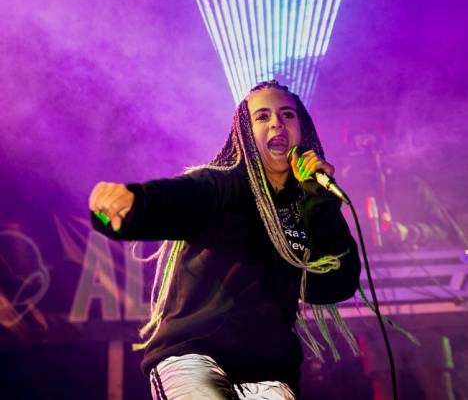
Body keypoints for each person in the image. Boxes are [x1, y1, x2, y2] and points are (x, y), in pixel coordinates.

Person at [89, 80, 361, 399]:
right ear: (245, 132)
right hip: (195, 355)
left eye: (287, 115)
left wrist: (322, 202)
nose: (276, 123)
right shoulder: (221, 186)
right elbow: (175, 200)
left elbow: (334, 284)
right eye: (262, 117)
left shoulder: (309, 205)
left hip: (269, 369)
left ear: (302, 129)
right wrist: (131, 204)